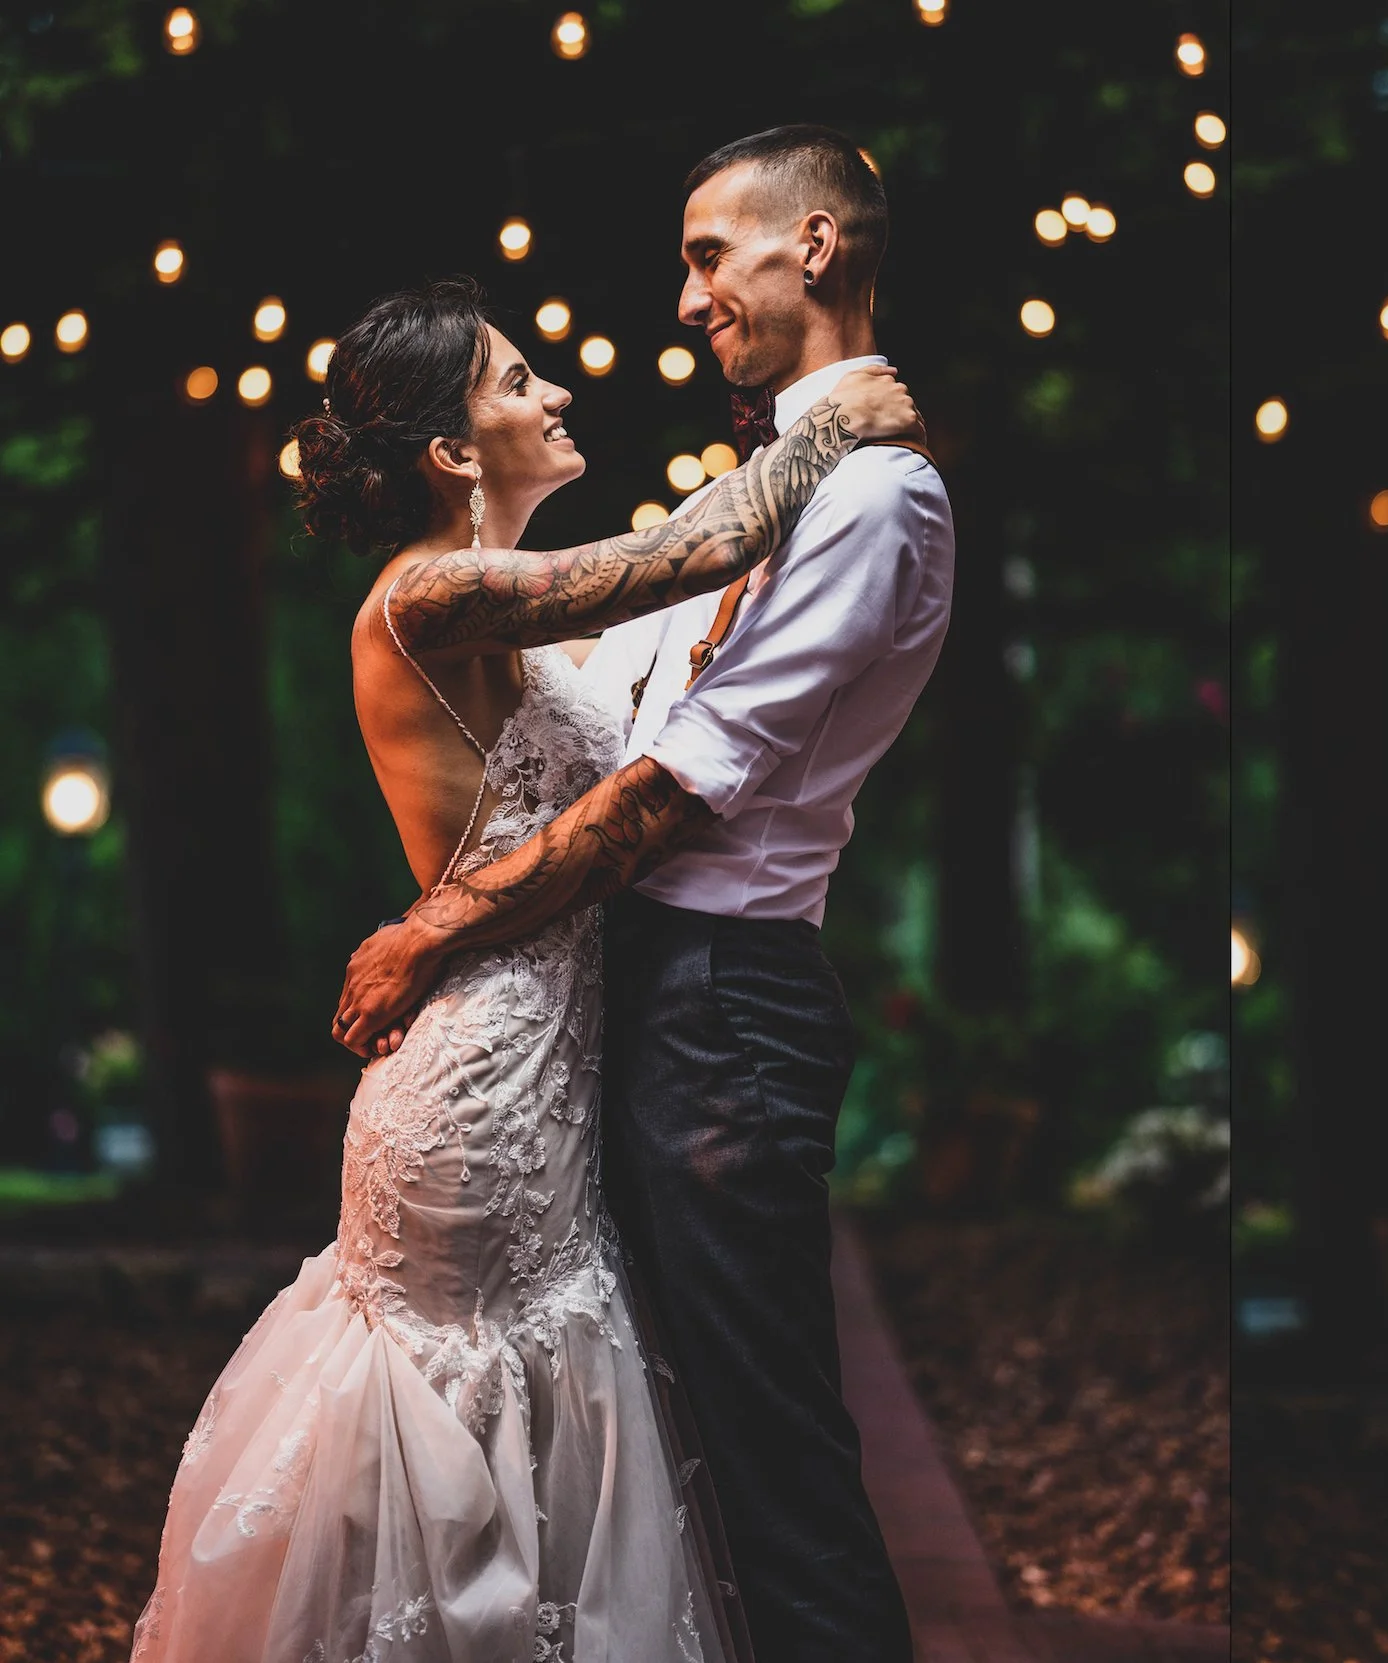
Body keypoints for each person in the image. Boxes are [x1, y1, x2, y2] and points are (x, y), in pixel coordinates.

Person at [130, 275, 921, 1663]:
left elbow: (680, 618)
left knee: (545, 1440)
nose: (555, 393)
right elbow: (693, 545)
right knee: (479, 1431)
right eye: (515, 380)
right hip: (482, 1087)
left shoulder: (529, 625)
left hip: (557, 1059)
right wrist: (836, 417)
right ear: (449, 451)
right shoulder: (428, 596)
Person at [331, 126, 955, 1662]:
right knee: (576, 1441)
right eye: (513, 381)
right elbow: (674, 575)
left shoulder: (874, 500)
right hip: (572, 1035)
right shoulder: (456, 586)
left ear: (812, 246)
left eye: (702, 254)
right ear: (448, 449)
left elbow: (676, 783)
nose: (678, 302)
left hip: (710, 1011)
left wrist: (439, 922)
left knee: (754, 1460)